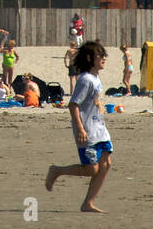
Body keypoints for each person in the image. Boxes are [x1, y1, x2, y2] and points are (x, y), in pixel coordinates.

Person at [46, 41, 112, 213]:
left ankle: (88, 203)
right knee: (92, 169)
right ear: (90, 58)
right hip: (87, 131)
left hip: (101, 131)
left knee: (106, 165)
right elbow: (73, 105)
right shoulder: (85, 80)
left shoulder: (96, 78)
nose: (104, 57)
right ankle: (57, 171)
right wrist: (81, 129)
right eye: (100, 55)